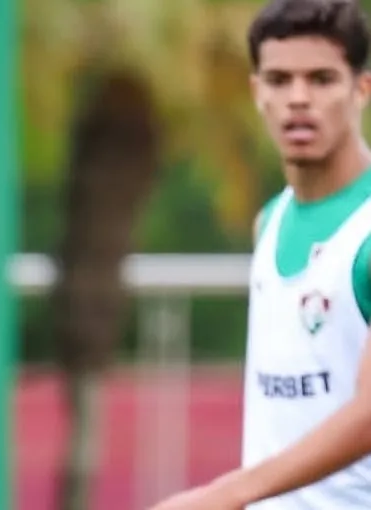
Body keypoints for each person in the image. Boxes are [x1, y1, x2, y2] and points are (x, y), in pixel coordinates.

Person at [149, 0, 371, 509]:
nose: (297, 98)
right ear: (257, 92)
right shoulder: (269, 221)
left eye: (321, 79)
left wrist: (223, 494)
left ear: (361, 89)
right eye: (278, 80)